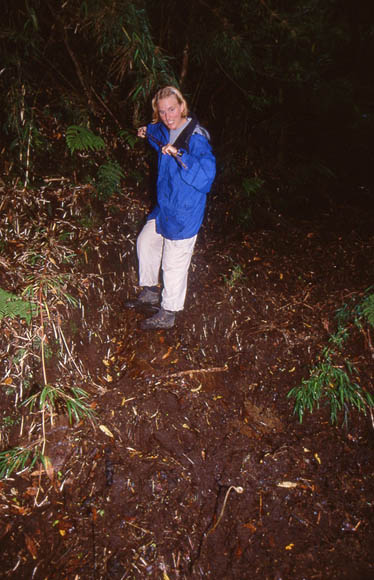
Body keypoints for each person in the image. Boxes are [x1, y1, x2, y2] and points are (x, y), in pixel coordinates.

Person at [127, 86, 216, 330]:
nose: (168, 116)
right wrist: (146, 130)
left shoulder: (196, 138)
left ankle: (169, 312)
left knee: (173, 264)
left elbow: (206, 178)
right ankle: (149, 292)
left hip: (185, 211)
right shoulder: (164, 128)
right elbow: (156, 131)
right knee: (146, 242)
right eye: (163, 111)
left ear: (182, 106)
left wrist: (180, 156)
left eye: (172, 109)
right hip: (165, 205)